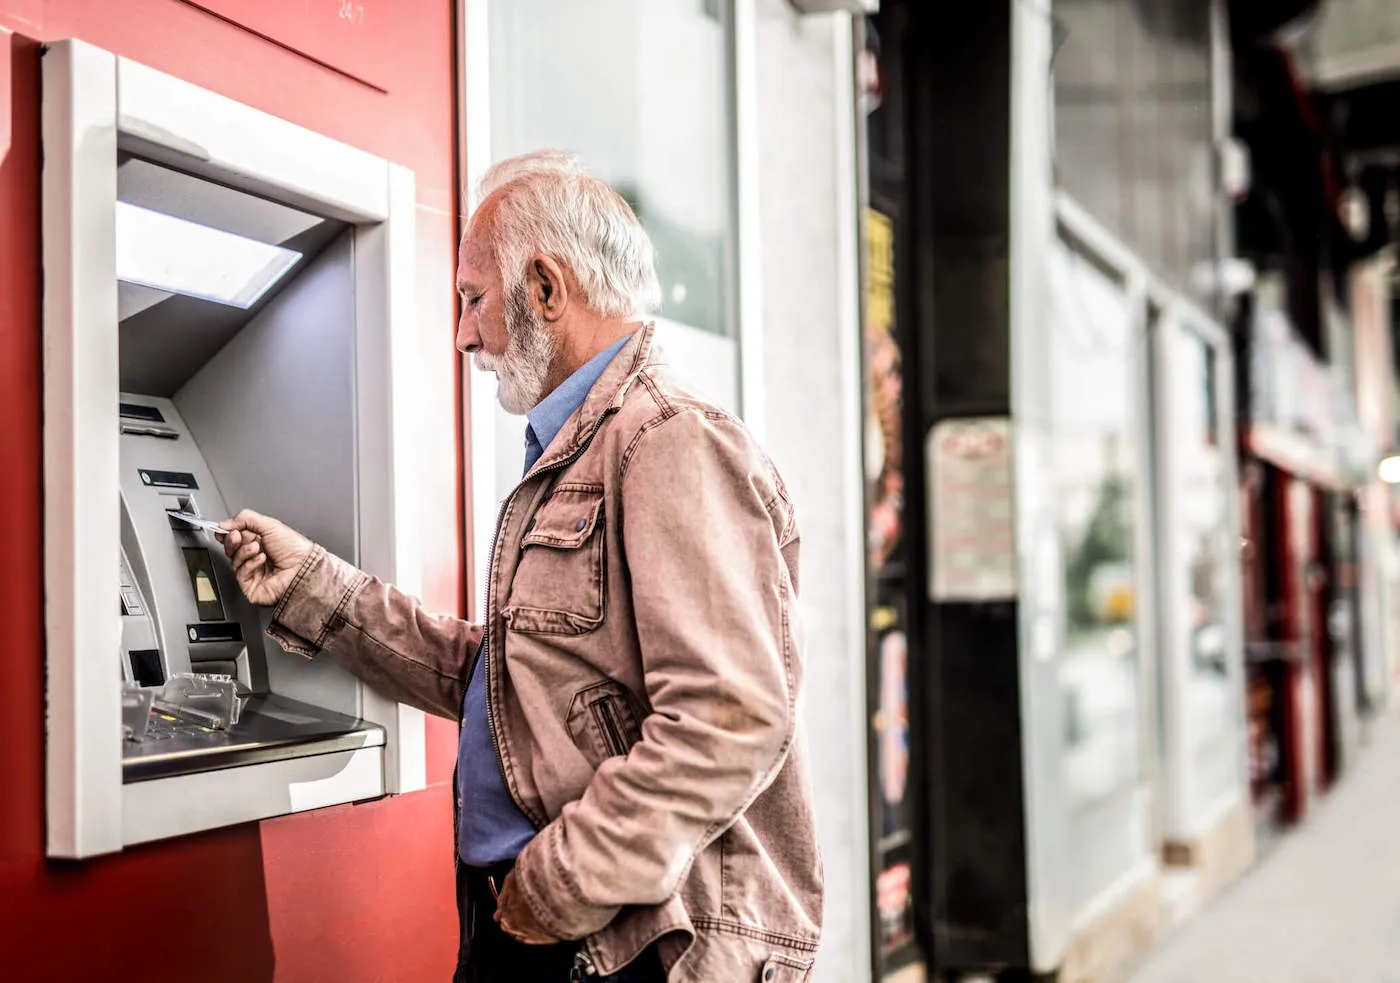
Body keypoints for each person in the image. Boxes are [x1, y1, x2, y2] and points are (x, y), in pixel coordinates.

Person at [219, 151, 822, 983]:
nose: (464, 334)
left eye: (473, 299)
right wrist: (312, 585)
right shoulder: (577, 450)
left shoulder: (667, 441)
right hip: (551, 928)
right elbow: (506, 682)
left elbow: (729, 717)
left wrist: (563, 880)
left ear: (545, 288)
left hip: (628, 945)